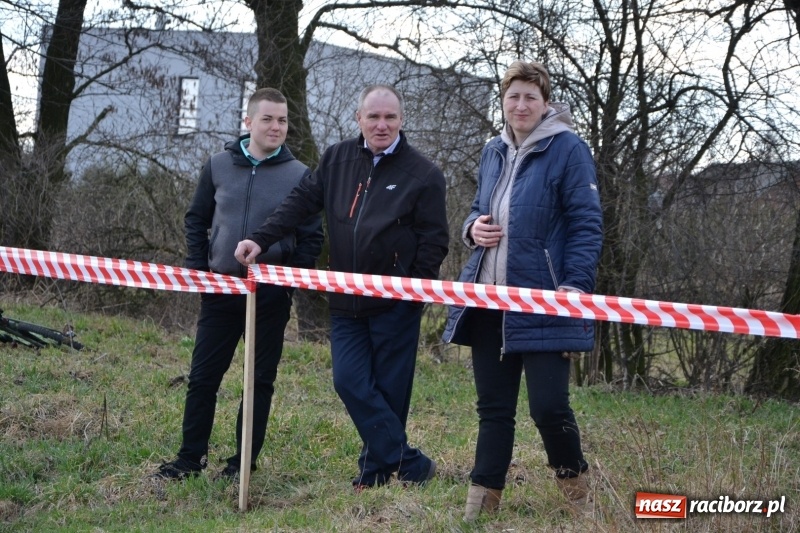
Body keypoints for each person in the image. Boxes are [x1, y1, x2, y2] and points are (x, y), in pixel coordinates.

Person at [235, 84, 449, 490]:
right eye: (374, 117)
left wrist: (411, 294)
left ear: (401, 120)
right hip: (345, 301)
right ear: (359, 119)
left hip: (395, 304)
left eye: (390, 117)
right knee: (349, 381)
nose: (381, 125)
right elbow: (299, 204)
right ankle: (410, 463)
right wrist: (260, 239)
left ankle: (373, 474)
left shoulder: (424, 174)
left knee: (389, 392)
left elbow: (434, 242)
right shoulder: (336, 159)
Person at [442, 61, 603, 519]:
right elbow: (476, 209)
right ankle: (481, 505)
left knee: (549, 407)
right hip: (489, 299)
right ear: (504, 100)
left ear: (545, 103)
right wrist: (473, 229)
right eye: (513, 96)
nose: (521, 104)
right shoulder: (493, 150)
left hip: (545, 300)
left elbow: (586, 223)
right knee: (493, 408)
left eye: (530, 96)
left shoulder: (569, 149)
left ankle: (579, 499)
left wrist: (574, 285)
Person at [153, 87, 323, 481]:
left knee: (258, 380)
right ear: (248, 122)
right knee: (203, 377)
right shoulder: (217, 165)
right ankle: (188, 459)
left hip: (270, 294)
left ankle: (243, 462)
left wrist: (289, 281)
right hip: (220, 290)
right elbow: (197, 219)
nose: (276, 127)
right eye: (267, 119)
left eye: (282, 120)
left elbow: (311, 235)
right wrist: (198, 269)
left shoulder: (301, 175)